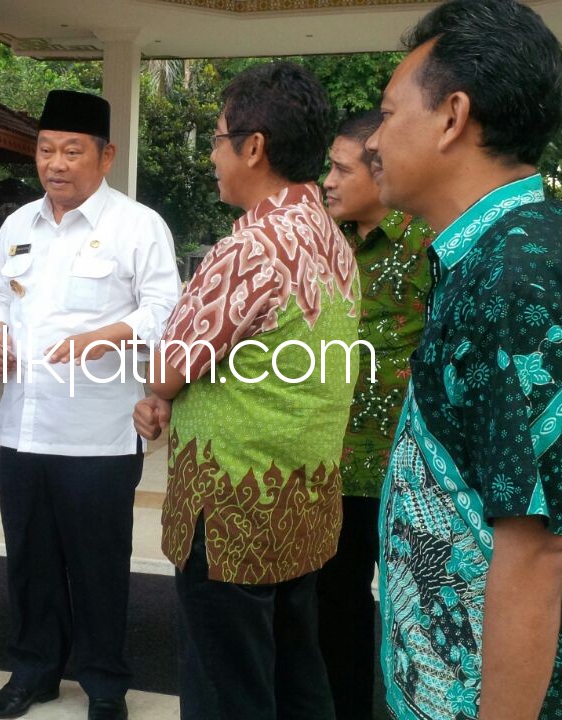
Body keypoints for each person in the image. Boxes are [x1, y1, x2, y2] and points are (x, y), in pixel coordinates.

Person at [366, 1, 562, 718]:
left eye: (387, 112)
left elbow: (536, 552)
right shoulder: (526, 244)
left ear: (452, 116)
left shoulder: (515, 276)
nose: (374, 138)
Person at [133, 61, 360, 720]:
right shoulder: (331, 240)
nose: (211, 154)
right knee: (295, 672)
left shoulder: (252, 247)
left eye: (216, 137)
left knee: (226, 686)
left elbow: (169, 363)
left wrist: (162, 393)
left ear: (253, 146)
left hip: (232, 509)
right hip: (302, 503)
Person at [0, 89, 180, 720]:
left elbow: (164, 309)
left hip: (98, 435)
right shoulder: (17, 224)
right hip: (24, 429)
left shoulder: (137, 226)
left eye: (71, 150)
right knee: (29, 565)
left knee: (98, 569)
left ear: (106, 155)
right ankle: (33, 673)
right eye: (45, 150)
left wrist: (104, 335)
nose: (55, 163)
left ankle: (104, 685)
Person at [318, 108, 433, 719]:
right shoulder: (327, 246)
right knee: (335, 608)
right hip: (333, 466)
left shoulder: (428, 246)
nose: (328, 182)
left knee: (415, 612)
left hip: (407, 472)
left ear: (378, 167)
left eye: (340, 169)